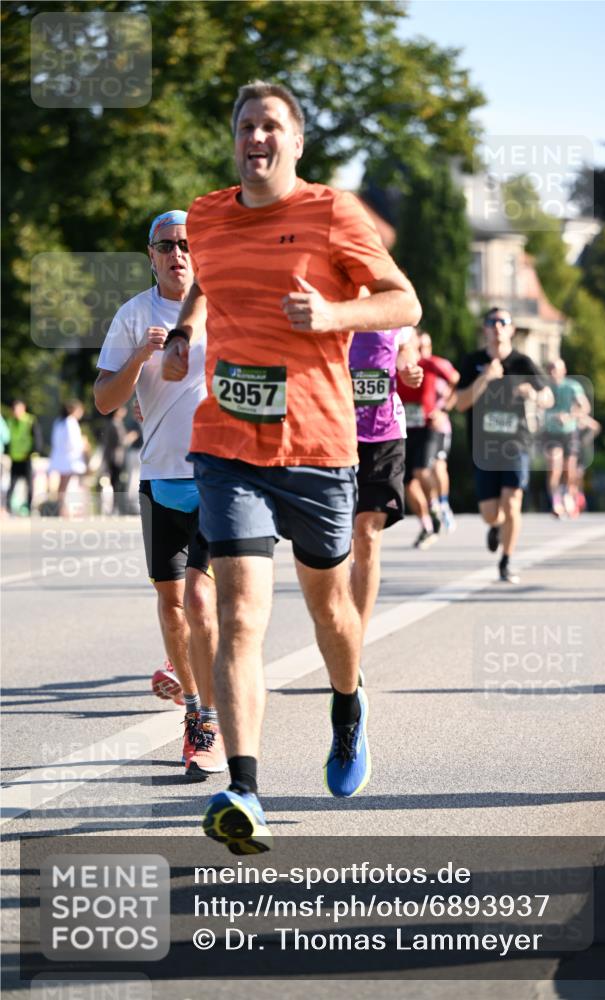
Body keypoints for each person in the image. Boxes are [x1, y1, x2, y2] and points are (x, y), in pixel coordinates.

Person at [162, 80, 421, 854]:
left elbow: (402, 301)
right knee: (241, 613)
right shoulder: (205, 215)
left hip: (316, 446)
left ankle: (347, 705)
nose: (256, 137)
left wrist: (336, 315)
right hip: (227, 444)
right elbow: (204, 278)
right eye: (245, 125)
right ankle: (243, 788)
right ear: (234, 139)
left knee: (328, 612)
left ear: (295, 142)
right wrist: (183, 332)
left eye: (271, 125)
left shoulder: (330, 212)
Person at [94, 210, 222, 780]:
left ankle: (211, 720)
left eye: (188, 244)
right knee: (173, 608)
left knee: (200, 604)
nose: (178, 254)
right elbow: (103, 400)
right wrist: (140, 357)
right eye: (166, 245)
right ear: (150, 254)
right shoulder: (133, 316)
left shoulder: (220, 306)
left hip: (218, 479)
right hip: (160, 480)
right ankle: (193, 708)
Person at [456, 307, 553, 583]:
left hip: (515, 443)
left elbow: (548, 397)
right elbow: (461, 403)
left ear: (511, 329)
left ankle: (507, 560)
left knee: (512, 503)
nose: (497, 327)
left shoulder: (523, 363)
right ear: (485, 329)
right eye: (492, 322)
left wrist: (533, 395)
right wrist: (486, 377)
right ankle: (495, 527)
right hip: (483, 447)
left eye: (503, 322)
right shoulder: (473, 361)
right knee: (490, 513)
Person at [349, 325, 423, 636]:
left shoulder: (389, 295)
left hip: (383, 433)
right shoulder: (326, 293)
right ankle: (338, 627)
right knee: (336, 547)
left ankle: (355, 645)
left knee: (366, 535)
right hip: (332, 433)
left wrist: (407, 364)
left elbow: (408, 341)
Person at [398, 329, 460, 549]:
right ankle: (427, 524)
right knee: (407, 483)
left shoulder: (431, 363)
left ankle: (437, 505)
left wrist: (443, 409)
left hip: (428, 426)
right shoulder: (395, 362)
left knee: (422, 471)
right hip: (405, 427)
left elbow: (455, 379)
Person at [542, 359, 590, 518]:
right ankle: (555, 501)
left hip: (569, 432)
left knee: (569, 470)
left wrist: (569, 416)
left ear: (564, 370)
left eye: (555, 369)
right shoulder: (544, 387)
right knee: (554, 468)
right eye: (550, 369)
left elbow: (585, 407)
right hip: (551, 432)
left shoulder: (573, 386)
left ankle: (568, 495)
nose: (552, 372)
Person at [48, 400, 88, 516]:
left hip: (60, 457)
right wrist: (83, 444)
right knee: (72, 485)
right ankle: (67, 510)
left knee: (63, 485)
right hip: (71, 459)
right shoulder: (71, 422)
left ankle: (61, 508)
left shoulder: (59, 422)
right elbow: (73, 442)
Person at [6, 399, 43, 515]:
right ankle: (8, 508)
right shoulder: (10, 421)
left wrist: (35, 451)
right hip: (15, 458)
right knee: (11, 484)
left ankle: (29, 507)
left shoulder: (30, 420)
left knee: (29, 485)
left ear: (23, 409)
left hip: (26, 457)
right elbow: (8, 439)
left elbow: (37, 437)